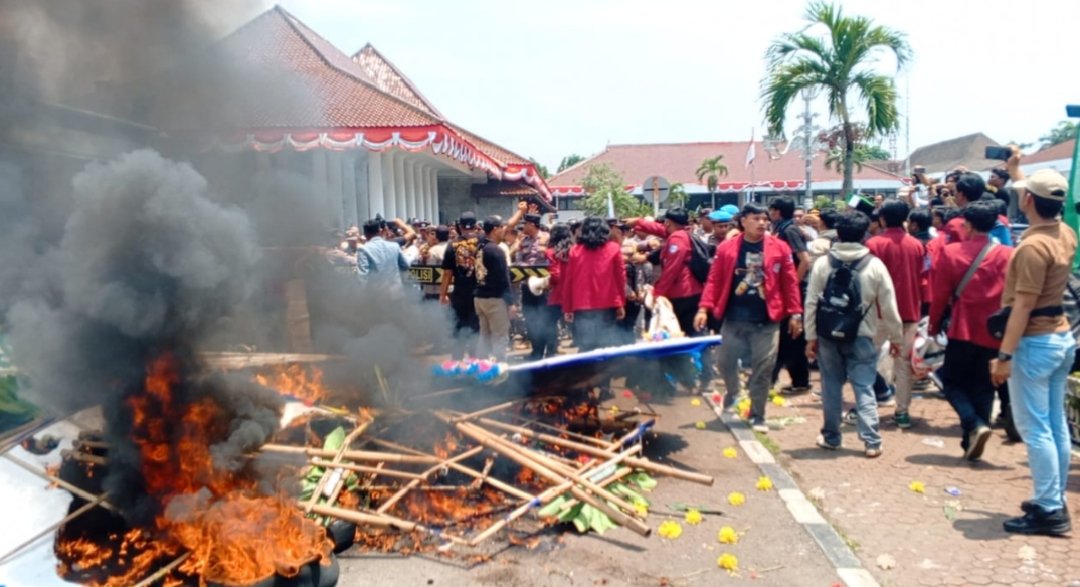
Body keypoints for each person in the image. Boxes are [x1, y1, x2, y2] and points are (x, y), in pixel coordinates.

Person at [991, 168, 1076, 536]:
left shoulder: (1031, 247)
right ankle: (1052, 497)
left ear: (1028, 200)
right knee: (1055, 425)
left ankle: (1048, 507)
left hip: (1034, 341)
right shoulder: (1065, 234)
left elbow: (1023, 305)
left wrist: (1005, 356)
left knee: (1035, 428)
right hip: (1061, 336)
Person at [694, 203, 802, 432]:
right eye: (756, 218)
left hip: (767, 320)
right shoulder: (727, 248)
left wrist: (795, 313)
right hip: (733, 319)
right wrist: (704, 308)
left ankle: (757, 415)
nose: (762, 223)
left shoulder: (780, 248)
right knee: (724, 362)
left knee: (763, 368)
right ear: (743, 221)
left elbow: (790, 282)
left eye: (765, 219)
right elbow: (713, 280)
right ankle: (734, 391)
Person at [805, 211, 902, 458]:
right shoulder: (875, 265)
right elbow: (889, 307)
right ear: (864, 235)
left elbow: (811, 303)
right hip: (862, 335)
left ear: (838, 234)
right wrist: (896, 339)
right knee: (864, 387)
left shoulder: (823, 264)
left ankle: (831, 437)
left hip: (828, 335)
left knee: (831, 387)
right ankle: (871, 441)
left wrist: (810, 337)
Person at [927, 200, 1014, 460]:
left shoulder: (952, 252)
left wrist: (932, 325)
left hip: (962, 328)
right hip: (994, 331)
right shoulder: (1007, 254)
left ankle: (973, 424)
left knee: (951, 381)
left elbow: (940, 295)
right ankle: (972, 440)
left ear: (969, 225)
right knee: (983, 386)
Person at [866, 200, 925, 428]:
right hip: (909, 310)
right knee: (903, 364)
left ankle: (866, 406)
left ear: (881, 219)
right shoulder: (916, 245)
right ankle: (902, 411)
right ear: (906, 219)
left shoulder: (874, 244)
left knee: (865, 360)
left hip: (879, 312)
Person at [629, 207, 703, 336]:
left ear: (668, 222)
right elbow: (658, 229)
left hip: (683, 294)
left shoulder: (677, 239)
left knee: (682, 333)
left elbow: (671, 270)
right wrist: (638, 222)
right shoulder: (681, 233)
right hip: (687, 291)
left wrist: (658, 293)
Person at [562, 217, 627, 351]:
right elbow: (620, 279)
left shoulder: (575, 250)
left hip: (581, 306)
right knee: (606, 345)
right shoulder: (614, 248)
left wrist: (567, 307)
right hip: (607, 304)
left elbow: (569, 280)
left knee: (586, 346)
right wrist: (620, 303)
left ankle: (587, 371)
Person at [768, 197, 812, 394]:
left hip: (795, 291)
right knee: (790, 338)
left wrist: (792, 284)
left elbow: (804, 260)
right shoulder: (782, 229)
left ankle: (788, 379)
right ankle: (797, 380)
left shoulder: (789, 230)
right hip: (787, 291)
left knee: (790, 337)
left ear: (777, 211)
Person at [473, 215, 517, 360]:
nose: (504, 230)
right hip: (494, 300)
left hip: (480, 297)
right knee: (500, 337)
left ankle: (481, 368)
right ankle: (500, 371)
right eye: (501, 228)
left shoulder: (480, 247)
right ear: (494, 229)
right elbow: (503, 279)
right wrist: (510, 303)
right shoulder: (496, 251)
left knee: (484, 336)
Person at [440, 212, 482, 358]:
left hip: (460, 294)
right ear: (476, 225)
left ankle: (457, 361)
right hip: (480, 293)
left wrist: (442, 294)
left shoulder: (452, 245)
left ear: (460, 226)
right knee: (476, 328)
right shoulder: (483, 241)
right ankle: (475, 361)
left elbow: (447, 274)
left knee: (459, 328)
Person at [516, 213, 554, 359]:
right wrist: (526, 268)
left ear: (531, 224)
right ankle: (536, 350)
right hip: (527, 286)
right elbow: (519, 259)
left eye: (525, 224)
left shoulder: (547, 238)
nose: (523, 227)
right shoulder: (523, 241)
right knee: (530, 317)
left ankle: (549, 350)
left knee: (545, 318)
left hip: (544, 286)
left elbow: (552, 259)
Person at [357, 218, 410, 283]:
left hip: (377, 291)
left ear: (365, 234)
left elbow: (363, 276)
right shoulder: (395, 246)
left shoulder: (363, 249)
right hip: (396, 290)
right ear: (380, 231)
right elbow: (405, 266)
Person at [418, 225, 450, 300]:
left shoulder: (434, 250)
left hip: (436, 289)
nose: (433, 236)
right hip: (443, 287)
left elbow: (431, 270)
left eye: (434, 234)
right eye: (431, 234)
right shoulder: (423, 248)